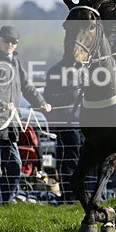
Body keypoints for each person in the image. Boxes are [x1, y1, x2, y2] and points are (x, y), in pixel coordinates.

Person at [0, 25, 51, 204]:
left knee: (15, 165)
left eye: (14, 42)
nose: (10, 45)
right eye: (6, 41)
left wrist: (40, 103)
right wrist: (0, 104)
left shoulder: (15, 62)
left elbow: (27, 87)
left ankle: (6, 202)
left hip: (11, 123)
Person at [44, 57, 84, 203]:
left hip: (86, 123)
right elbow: (49, 97)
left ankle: (85, 196)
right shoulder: (55, 71)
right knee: (70, 161)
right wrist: (71, 96)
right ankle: (70, 197)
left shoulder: (89, 69)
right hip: (68, 124)